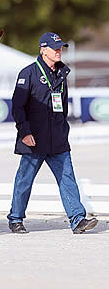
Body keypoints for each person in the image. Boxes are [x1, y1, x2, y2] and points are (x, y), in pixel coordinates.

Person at [7, 32, 98, 234]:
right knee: (24, 180)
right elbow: (18, 107)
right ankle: (15, 218)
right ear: (43, 50)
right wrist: (24, 132)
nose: (59, 51)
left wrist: (63, 130)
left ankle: (77, 219)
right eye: (55, 48)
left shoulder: (61, 75)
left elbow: (62, 107)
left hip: (57, 138)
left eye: (60, 48)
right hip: (33, 139)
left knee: (68, 178)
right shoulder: (28, 73)